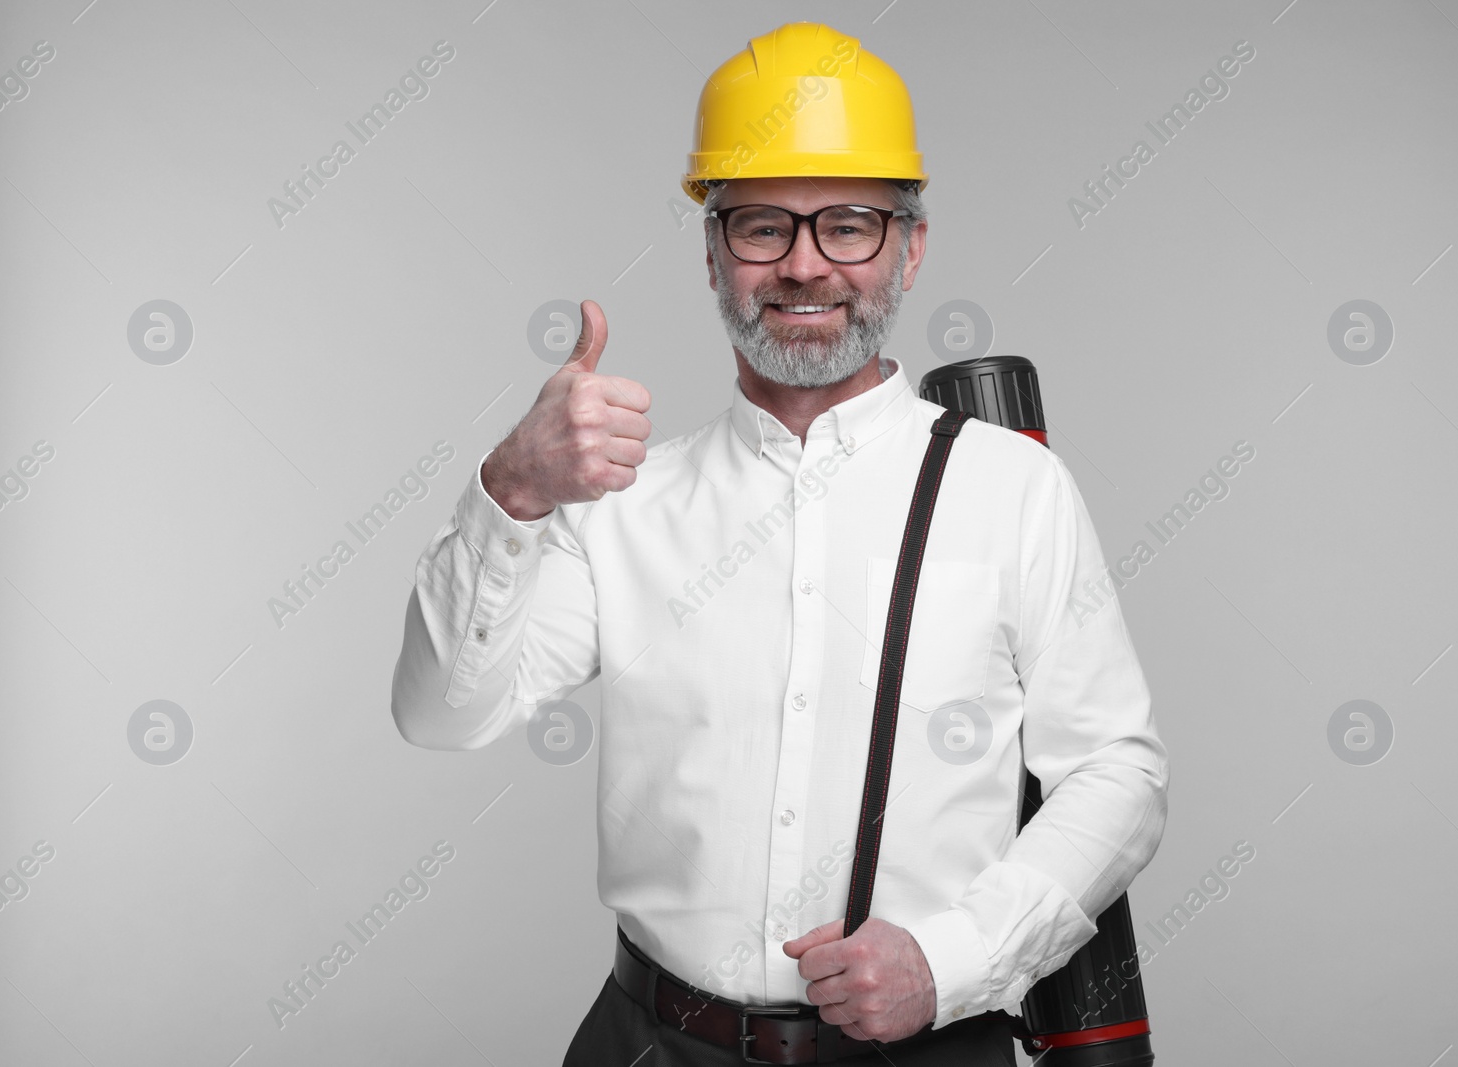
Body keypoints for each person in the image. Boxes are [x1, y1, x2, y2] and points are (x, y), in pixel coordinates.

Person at [390, 20, 1167, 1065]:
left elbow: (1116, 772)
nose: (804, 265)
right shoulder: (617, 499)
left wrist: (955, 956)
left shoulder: (1012, 490)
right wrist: (512, 490)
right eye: (761, 225)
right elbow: (442, 713)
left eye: (848, 223)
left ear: (910, 245)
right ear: (713, 253)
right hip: (649, 1042)